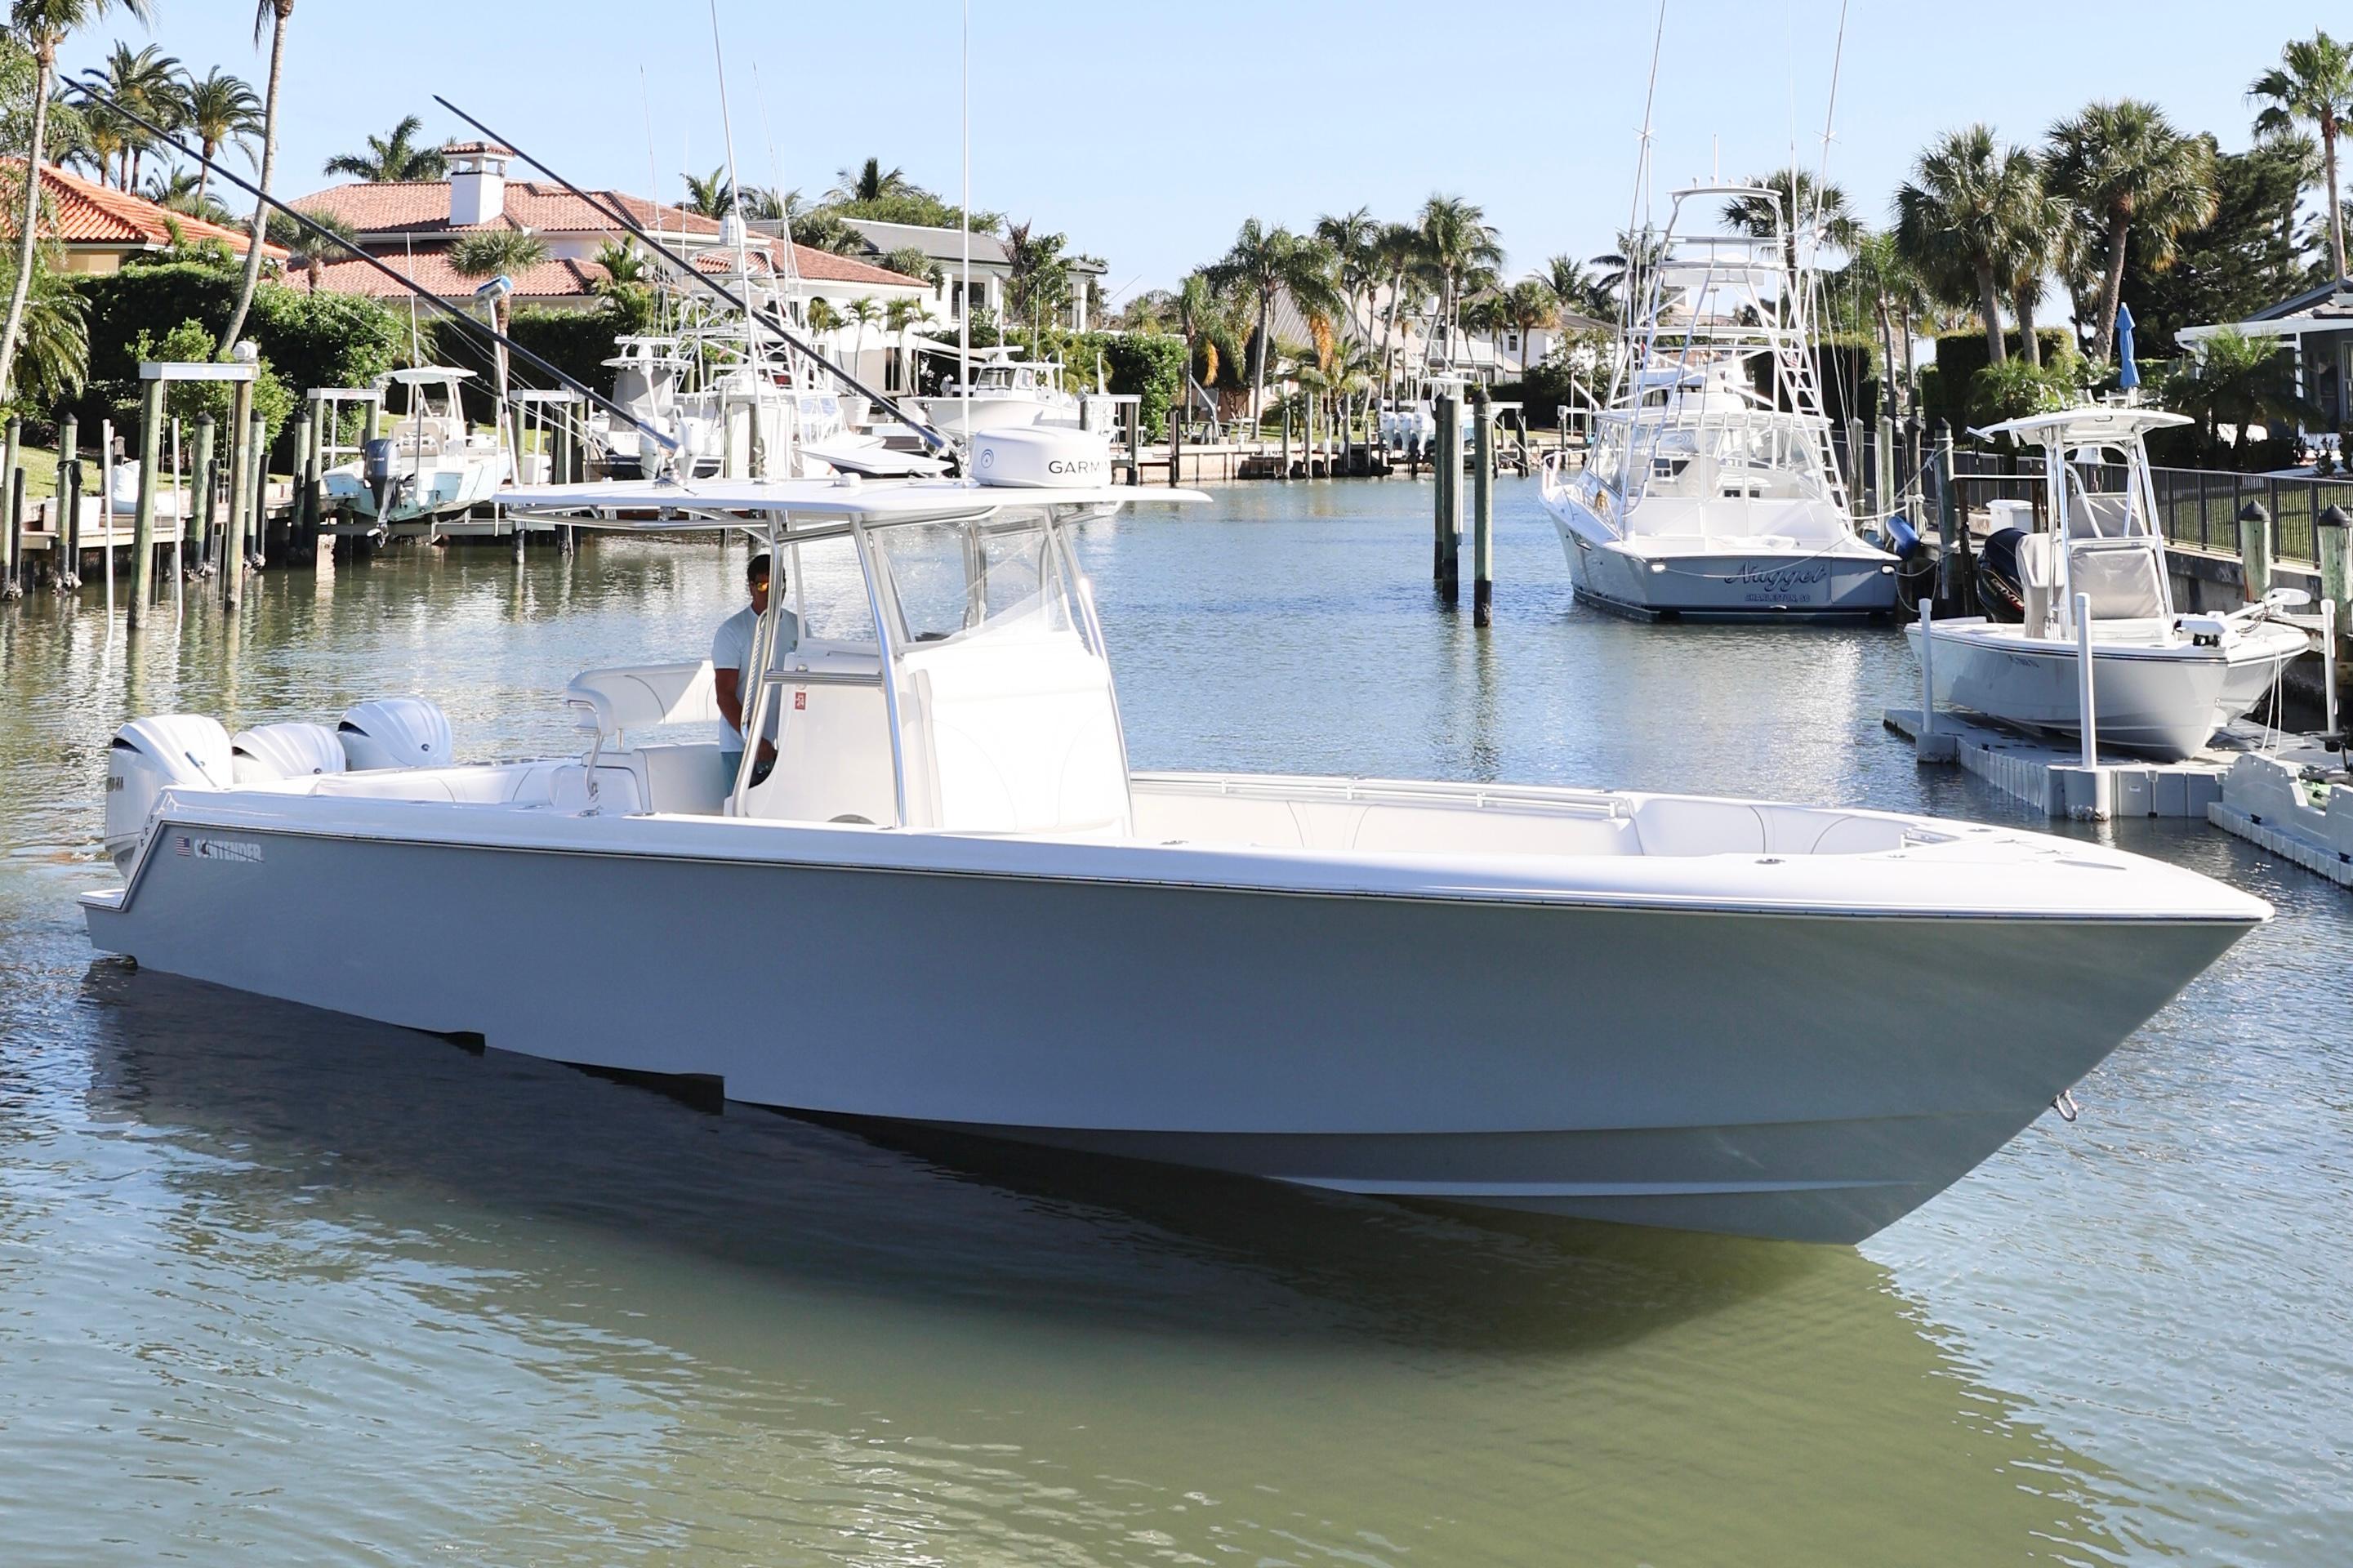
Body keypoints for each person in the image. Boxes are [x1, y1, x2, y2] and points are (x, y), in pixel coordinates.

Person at [711, 551, 798, 782]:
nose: (771, 592)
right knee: (742, 805)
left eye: (778, 585)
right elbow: (725, 696)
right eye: (763, 586)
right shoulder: (732, 632)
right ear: (751, 587)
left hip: (785, 744)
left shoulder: (799, 627)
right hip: (741, 746)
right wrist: (755, 740)